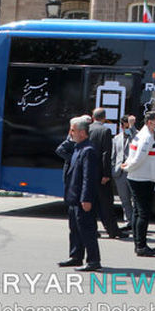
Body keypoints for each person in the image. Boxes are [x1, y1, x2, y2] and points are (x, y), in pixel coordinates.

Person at [58, 116, 101, 272]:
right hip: (73, 196)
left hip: (82, 198)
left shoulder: (88, 150)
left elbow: (89, 178)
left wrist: (86, 198)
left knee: (87, 229)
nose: (71, 133)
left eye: (73, 131)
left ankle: (93, 260)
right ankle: (76, 256)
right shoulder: (78, 147)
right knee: (74, 228)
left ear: (82, 132)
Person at [120, 110, 155, 257]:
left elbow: (133, 155)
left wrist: (127, 166)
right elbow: (138, 158)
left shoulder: (141, 134)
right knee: (143, 213)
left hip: (139, 177)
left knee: (138, 212)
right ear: (150, 122)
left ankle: (139, 244)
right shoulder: (146, 137)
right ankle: (141, 246)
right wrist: (128, 168)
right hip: (142, 178)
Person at [87, 108, 123, 240]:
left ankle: (93, 230)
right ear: (104, 117)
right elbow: (106, 154)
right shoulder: (106, 131)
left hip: (88, 172)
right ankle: (113, 231)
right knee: (106, 203)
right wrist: (106, 174)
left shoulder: (87, 129)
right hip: (100, 173)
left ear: (92, 117)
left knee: (91, 202)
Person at [112, 114, 137, 226]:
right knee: (124, 199)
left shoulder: (136, 135)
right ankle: (129, 221)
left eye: (128, 127)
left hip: (133, 172)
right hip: (119, 173)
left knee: (136, 200)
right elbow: (113, 155)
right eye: (125, 127)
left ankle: (136, 222)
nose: (126, 130)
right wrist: (113, 168)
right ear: (121, 126)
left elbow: (137, 141)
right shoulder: (116, 138)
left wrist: (132, 128)